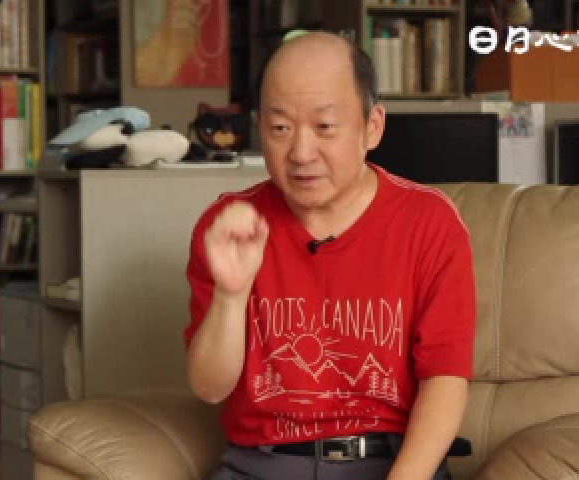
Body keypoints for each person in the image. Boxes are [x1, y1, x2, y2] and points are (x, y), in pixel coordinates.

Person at [183, 31, 476, 480]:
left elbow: (445, 379)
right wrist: (230, 295)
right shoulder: (232, 226)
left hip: (391, 464)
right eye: (280, 129)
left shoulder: (429, 223)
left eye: (324, 127)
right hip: (262, 467)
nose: (301, 153)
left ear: (372, 127)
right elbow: (209, 388)